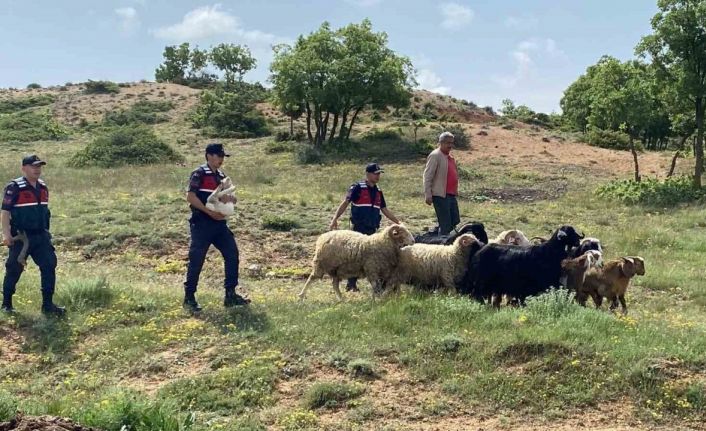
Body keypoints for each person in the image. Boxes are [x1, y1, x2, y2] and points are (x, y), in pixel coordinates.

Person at [183, 143, 249, 312]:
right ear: (209, 155)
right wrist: (207, 212)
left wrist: (232, 200)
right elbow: (190, 197)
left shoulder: (221, 176)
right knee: (197, 260)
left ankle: (230, 294)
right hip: (202, 223)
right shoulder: (199, 173)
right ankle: (189, 297)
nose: (220, 160)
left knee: (232, 254)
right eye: (218, 156)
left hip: (219, 224)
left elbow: (228, 197)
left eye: (222, 157)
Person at [1, 155, 65, 315]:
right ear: (24, 168)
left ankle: (48, 306)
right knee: (14, 268)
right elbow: (5, 212)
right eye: (33, 166)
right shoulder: (14, 186)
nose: (37, 169)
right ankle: (6, 304)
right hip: (21, 237)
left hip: (41, 236)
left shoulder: (43, 187)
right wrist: (6, 234)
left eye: (39, 166)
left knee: (49, 265)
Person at [329, 163, 401, 292]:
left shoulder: (378, 191)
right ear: (368, 174)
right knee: (356, 255)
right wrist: (335, 218)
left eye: (379, 174)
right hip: (359, 227)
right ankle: (351, 284)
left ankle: (373, 283)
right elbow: (346, 202)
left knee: (370, 256)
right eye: (376, 173)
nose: (378, 176)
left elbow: (384, 209)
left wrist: (398, 223)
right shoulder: (357, 187)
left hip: (372, 228)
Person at [423, 131, 460, 235]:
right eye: (448, 143)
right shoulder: (435, 155)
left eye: (452, 143)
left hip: (451, 194)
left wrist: (455, 190)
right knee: (445, 224)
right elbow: (427, 176)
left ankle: (434, 234)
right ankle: (442, 244)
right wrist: (428, 194)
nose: (450, 145)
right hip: (440, 194)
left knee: (455, 220)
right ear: (441, 142)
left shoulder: (450, 158)